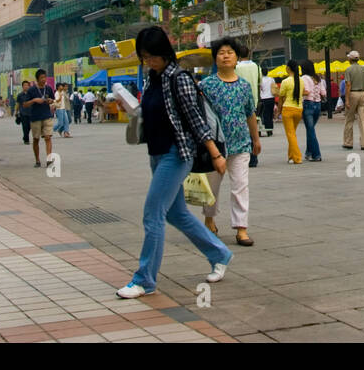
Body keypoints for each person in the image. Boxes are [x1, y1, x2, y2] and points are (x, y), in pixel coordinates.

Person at [115, 26, 233, 299]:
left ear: (164, 53)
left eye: (152, 56)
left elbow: (195, 119)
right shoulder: (151, 77)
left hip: (176, 154)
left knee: (152, 213)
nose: (149, 62)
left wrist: (215, 154)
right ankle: (220, 253)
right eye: (144, 57)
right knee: (174, 213)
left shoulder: (178, 78)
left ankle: (144, 280)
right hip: (156, 154)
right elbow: (153, 113)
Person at [199, 38, 260, 246]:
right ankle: (209, 220)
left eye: (230, 52)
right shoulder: (206, 85)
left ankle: (241, 229)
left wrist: (255, 139)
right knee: (212, 187)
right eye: (221, 52)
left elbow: (249, 113)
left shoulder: (244, 86)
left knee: (241, 186)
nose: (225, 55)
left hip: (241, 143)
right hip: (215, 145)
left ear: (236, 58)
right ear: (215, 58)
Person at [275, 59, 305, 164]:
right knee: (292, 133)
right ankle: (291, 156)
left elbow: (281, 99)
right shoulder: (301, 80)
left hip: (287, 109)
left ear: (288, 68)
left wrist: (278, 111)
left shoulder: (285, 81)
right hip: (299, 109)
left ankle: (297, 157)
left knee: (290, 134)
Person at [24, 69, 56, 167]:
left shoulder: (49, 88)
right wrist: (34, 100)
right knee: (36, 139)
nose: (44, 79)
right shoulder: (31, 90)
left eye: (45, 77)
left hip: (47, 115)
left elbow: (52, 99)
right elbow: (25, 104)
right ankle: (37, 160)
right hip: (35, 117)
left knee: (48, 137)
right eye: (42, 77)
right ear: (37, 79)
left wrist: (50, 101)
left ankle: (49, 158)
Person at [342, 51, 364, 151]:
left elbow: (348, 85)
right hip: (363, 93)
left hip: (353, 93)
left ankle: (348, 142)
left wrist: (347, 99)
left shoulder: (348, 69)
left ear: (350, 59)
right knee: (363, 120)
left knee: (349, 119)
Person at [299, 60, 325, 162]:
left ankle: (316, 154)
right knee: (311, 129)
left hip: (308, 104)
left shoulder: (304, 78)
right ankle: (308, 152)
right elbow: (323, 92)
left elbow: (307, 91)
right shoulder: (317, 78)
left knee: (310, 130)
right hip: (318, 105)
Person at [257, 69, 275, 137]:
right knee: (270, 114)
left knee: (265, 115)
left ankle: (268, 130)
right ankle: (270, 129)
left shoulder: (261, 80)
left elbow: (260, 89)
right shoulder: (271, 79)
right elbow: (273, 87)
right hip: (271, 98)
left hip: (264, 99)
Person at [16, 79, 33, 145]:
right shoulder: (20, 95)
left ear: (29, 86)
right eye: (24, 85)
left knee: (29, 126)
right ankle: (26, 139)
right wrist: (16, 112)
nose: (26, 86)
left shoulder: (31, 94)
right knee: (25, 126)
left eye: (27, 85)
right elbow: (18, 104)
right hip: (23, 112)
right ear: (22, 86)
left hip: (31, 112)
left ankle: (25, 136)